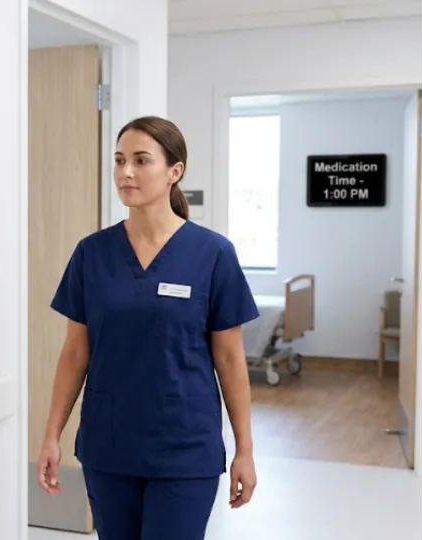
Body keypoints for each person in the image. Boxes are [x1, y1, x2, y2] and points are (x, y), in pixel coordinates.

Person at [35, 116, 260, 540]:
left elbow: (229, 359)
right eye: (119, 161)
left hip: (184, 450)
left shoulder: (213, 254)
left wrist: (245, 451)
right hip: (109, 446)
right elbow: (75, 353)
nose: (126, 172)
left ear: (174, 172)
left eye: (141, 160)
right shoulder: (92, 253)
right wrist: (51, 434)